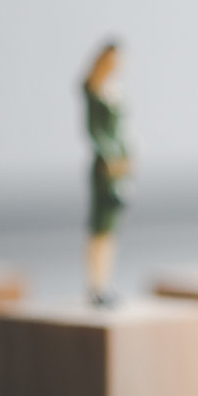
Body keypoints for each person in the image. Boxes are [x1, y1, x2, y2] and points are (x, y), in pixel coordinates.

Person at [82, 42, 131, 306]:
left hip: (121, 167)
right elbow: (95, 131)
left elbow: (124, 129)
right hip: (105, 168)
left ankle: (105, 281)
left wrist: (129, 154)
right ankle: (95, 283)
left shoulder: (114, 91)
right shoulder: (95, 91)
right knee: (100, 226)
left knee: (112, 227)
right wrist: (111, 157)